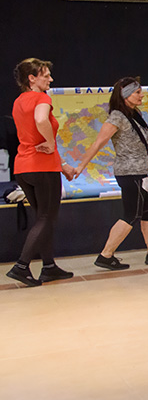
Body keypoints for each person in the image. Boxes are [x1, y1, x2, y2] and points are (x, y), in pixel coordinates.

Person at [73, 77, 148, 270]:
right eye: (137, 92)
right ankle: (106, 255)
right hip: (130, 174)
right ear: (125, 94)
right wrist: (80, 167)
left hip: (141, 172)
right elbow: (98, 143)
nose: (141, 95)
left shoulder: (134, 114)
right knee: (131, 214)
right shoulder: (117, 117)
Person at [6, 58, 76, 287]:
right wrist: (50, 141)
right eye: (45, 76)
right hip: (42, 168)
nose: (50, 79)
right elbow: (40, 120)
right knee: (47, 217)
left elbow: (31, 136)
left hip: (23, 166)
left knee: (42, 219)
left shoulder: (18, 102)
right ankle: (21, 266)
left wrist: (62, 164)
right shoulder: (42, 98)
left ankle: (48, 266)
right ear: (32, 78)